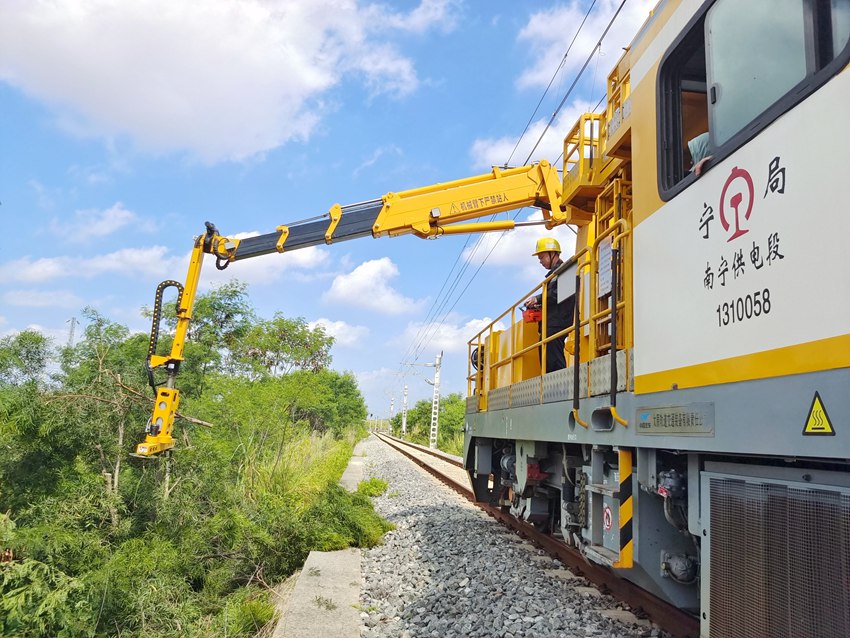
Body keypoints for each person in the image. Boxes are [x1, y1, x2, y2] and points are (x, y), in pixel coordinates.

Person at [525, 237, 575, 373]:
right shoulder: (553, 275)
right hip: (551, 323)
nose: (540, 261)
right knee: (547, 359)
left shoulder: (566, 269)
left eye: (542, 257)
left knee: (554, 360)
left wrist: (538, 298)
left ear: (553, 254)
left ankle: (560, 387)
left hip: (558, 322)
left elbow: (560, 293)